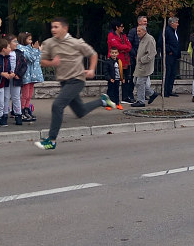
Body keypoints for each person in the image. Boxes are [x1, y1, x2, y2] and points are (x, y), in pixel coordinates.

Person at [35, 17, 115, 150]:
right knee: (80, 111)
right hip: (64, 81)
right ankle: (102, 101)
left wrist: (92, 70)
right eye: (52, 27)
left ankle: (52, 140)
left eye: (56, 27)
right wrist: (52, 63)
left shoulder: (76, 43)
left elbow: (93, 54)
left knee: (57, 105)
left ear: (65, 28)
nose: (53, 29)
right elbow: (42, 61)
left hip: (77, 79)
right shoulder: (49, 43)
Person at [18, 32, 43, 122]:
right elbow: (31, 58)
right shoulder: (21, 48)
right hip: (26, 75)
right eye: (29, 39)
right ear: (23, 39)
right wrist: (36, 50)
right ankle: (21, 111)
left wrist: (38, 50)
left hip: (32, 75)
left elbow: (38, 58)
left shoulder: (30, 48)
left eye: (31, 39)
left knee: (29, 95)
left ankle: (27, 110)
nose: (31, 41)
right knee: (24, 95)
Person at [107, 21, 134, 103]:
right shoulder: (111, 35)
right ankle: (112, 97)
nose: (123, 28)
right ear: (117, 27)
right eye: (121, 26)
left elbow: (129, 46)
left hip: (125, 60)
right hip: (116, 60)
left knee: (125, 79)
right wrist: (124, 47)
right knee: (114, 79)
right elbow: (116, 46)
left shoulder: (124, 36)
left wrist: (123, 48)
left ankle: (125, 97)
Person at [4, 35, 27, 125]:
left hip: (16, 78)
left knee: (16, 96)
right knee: (5, 96)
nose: (16, 43)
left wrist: (19, 74)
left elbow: (24, 66)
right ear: (8, 43)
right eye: (14, 41)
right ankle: (4, 114)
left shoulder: (19, 53)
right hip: (6, 78)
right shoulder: (4, 53)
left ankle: (18, 114)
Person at [132, 25, 158, 107]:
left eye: (139, 31)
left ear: (144, 31)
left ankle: (141, 101)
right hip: (140, 65)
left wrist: (142, 60)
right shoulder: (143, 39)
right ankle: (152, 93)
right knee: (135, 81)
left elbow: (152, 53)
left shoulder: (149, 39)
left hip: (145, 65)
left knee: (140, 83)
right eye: (137, 31)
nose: (138, 33)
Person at [163, 16, 181, 98]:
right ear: (171, 23)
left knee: (173, 73)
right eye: (176, 22)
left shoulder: (175, 31)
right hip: (169, 55)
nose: (177, 24)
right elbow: (162, 42)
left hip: (175, 55)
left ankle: (170, 90)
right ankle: (165, 91)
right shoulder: (167, 31)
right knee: (168, 73)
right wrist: (169, 50)